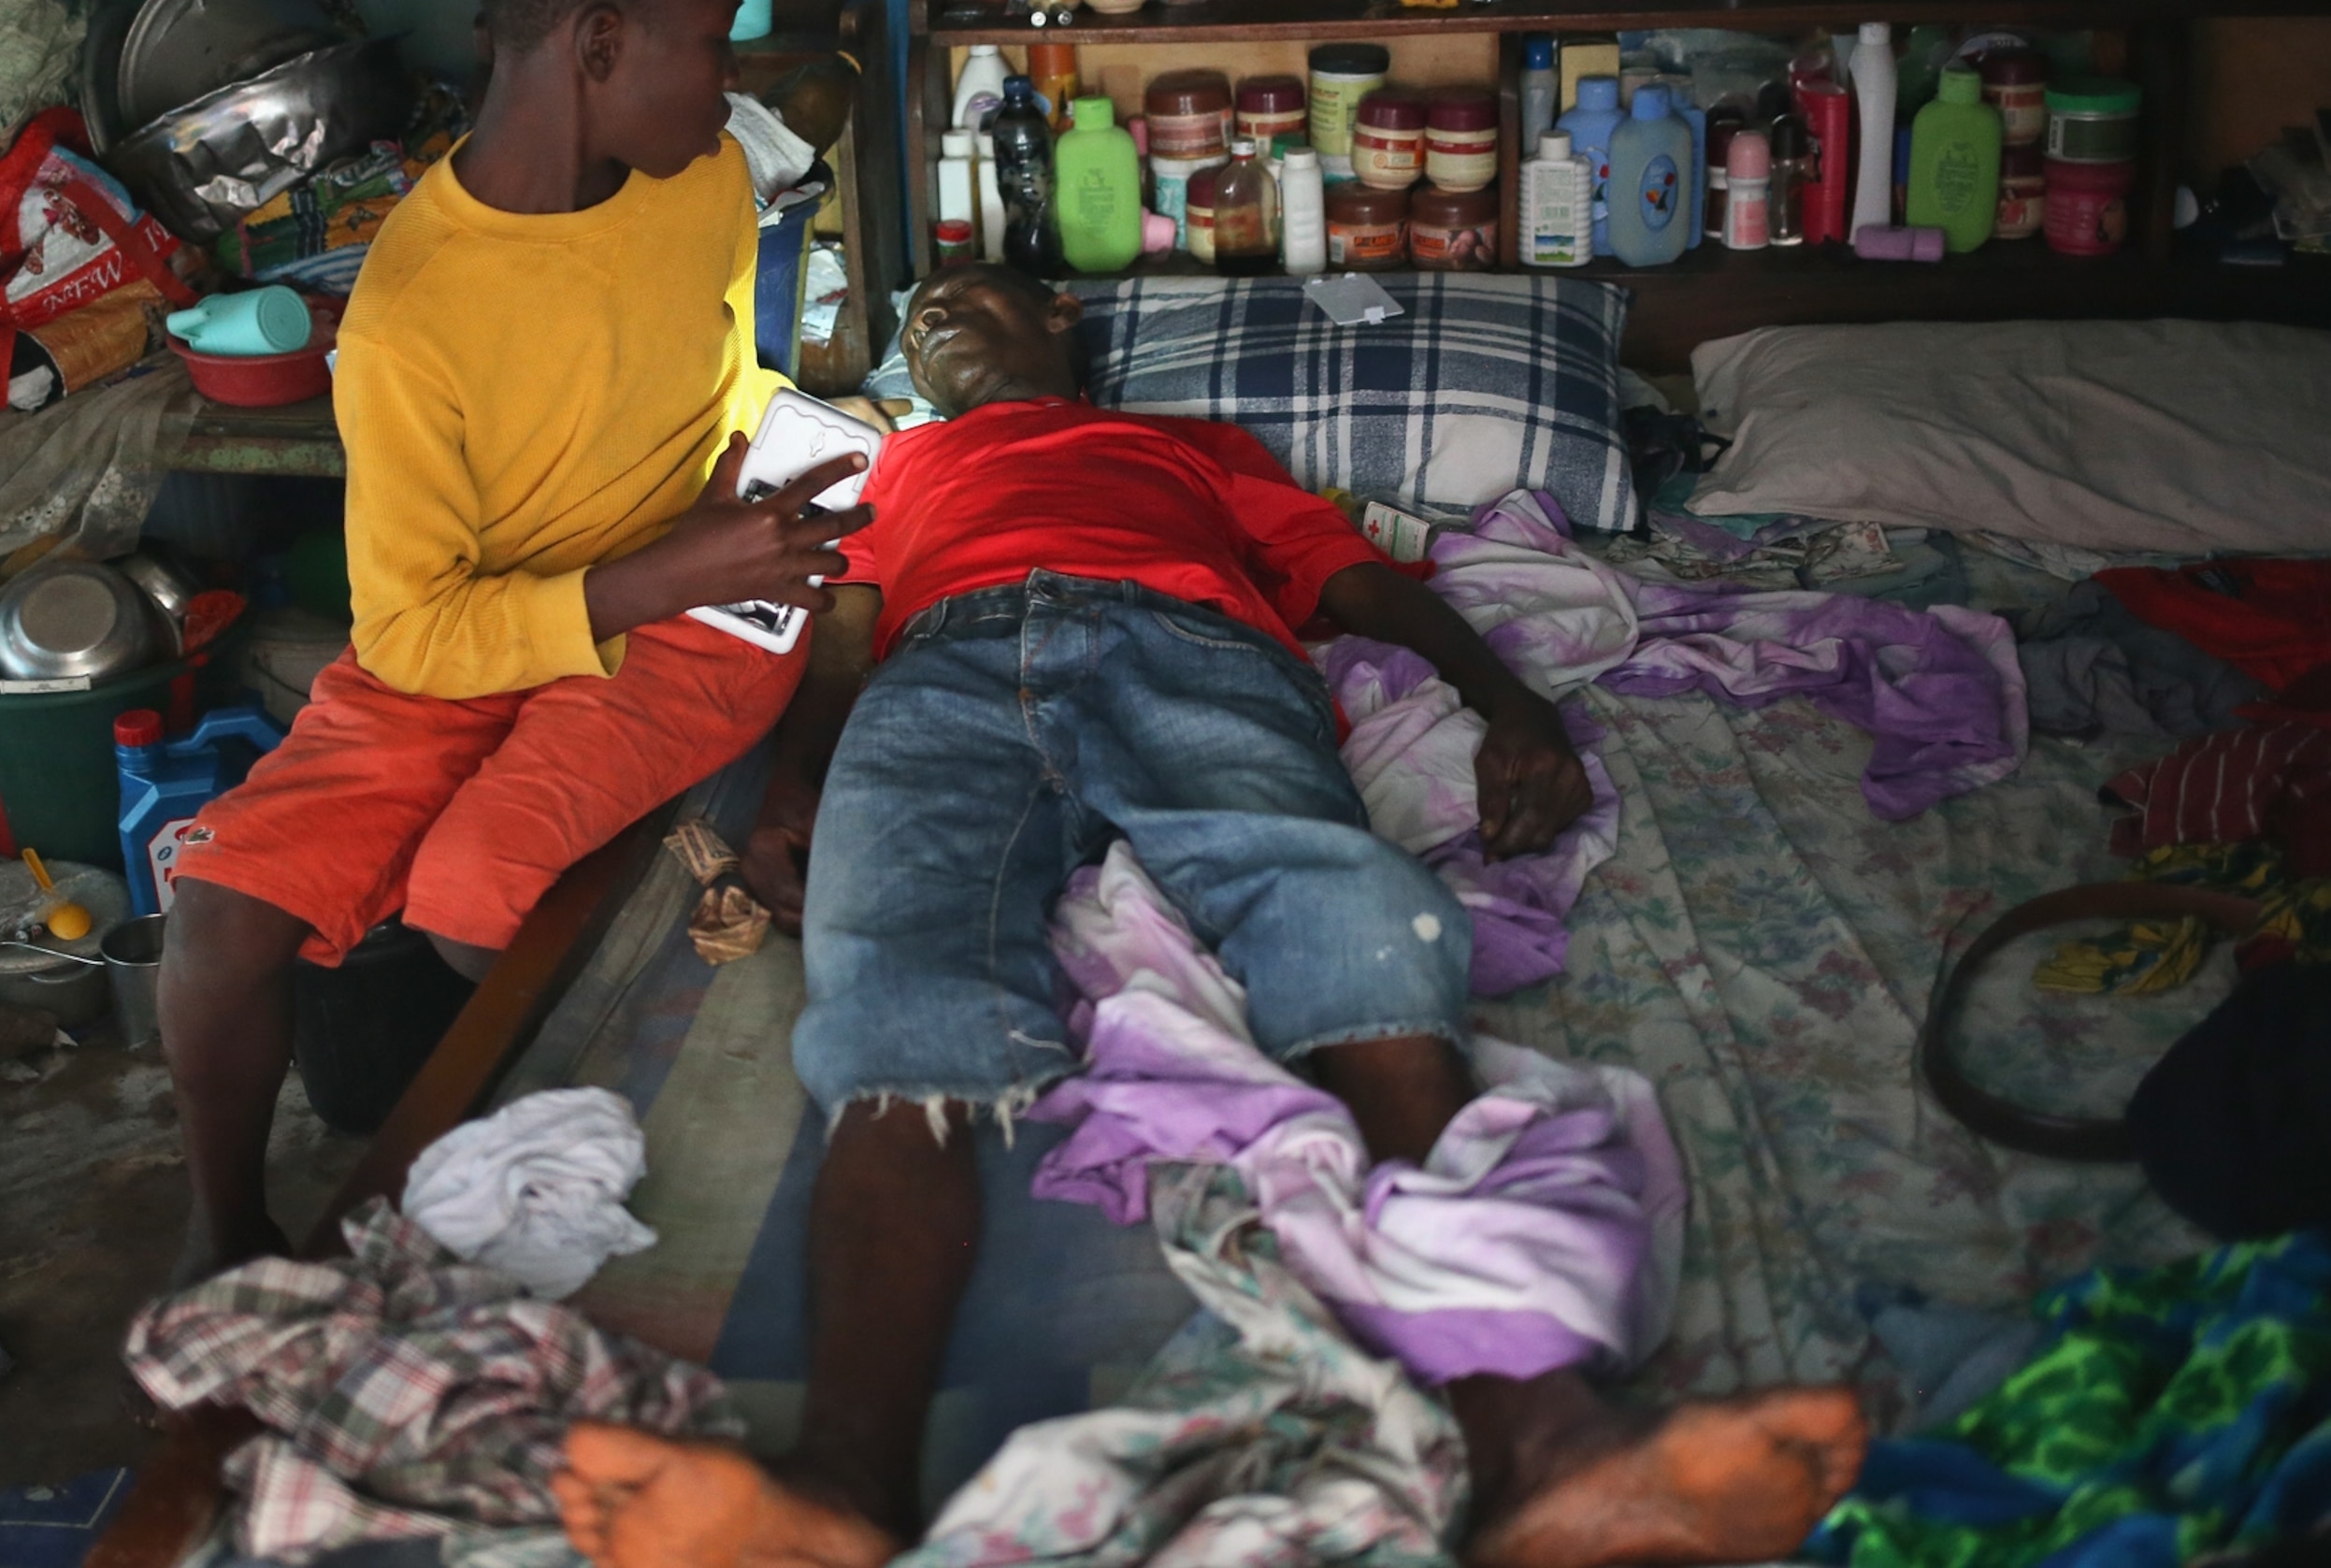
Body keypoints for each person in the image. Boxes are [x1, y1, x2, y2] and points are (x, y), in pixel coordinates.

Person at [554, 264, 1868, 1568]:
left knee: (1350, 914)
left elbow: (1358, 583)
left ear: (1062, 315)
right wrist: (796, 786)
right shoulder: (897, 458)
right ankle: (838, 1484)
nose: (929, 315)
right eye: (913, 314)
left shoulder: (1186, 445)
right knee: (892, 985)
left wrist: (1508, 699)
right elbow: (843, 635)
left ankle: (1549, 1449)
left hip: (1187, 651)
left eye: (961, 288)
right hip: (943, 668)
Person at [156, 0, 874, 1283]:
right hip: (509, 627)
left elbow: (726, 380)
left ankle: (583, 1164)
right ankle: (225, 1226)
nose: (729, 80)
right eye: (707, 44)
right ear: (600, 46)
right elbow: (415, 638)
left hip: (696, 604)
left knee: (475, 883)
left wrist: (751, 506)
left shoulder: (711, 186)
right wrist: (642, 578)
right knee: (223, 913)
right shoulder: (414, 316)